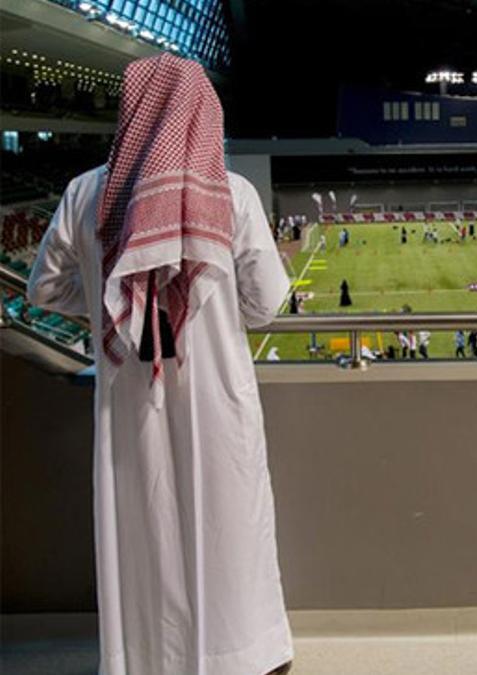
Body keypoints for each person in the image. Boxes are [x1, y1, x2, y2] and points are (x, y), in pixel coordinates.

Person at [27, 54, 293, 675]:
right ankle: (240, 656)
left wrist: (105, 309)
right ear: (203, 112)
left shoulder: (86, 193)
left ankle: (145, 659)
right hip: (217, 397)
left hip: (126, 398)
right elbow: (267, 304)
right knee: (228, 530)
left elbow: (43, 290)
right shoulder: (231, 194)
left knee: (141, 532)